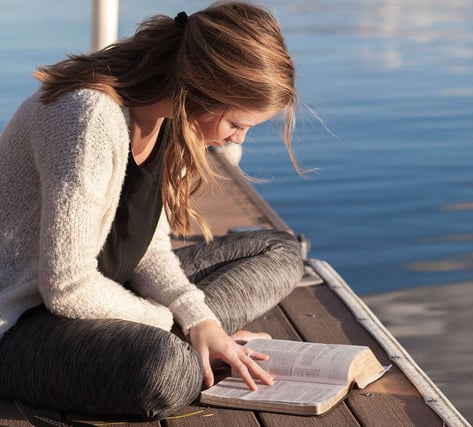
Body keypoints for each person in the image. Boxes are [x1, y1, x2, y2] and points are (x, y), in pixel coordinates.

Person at [0, 1, 304, 421]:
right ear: (199, 89)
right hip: (22, 322)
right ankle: (186, 349)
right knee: (164, 372)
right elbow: (66, 288)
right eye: (236, 124)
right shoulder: (88, 118)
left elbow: (147, 248)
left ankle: (200, 342)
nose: (237, 142)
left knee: (279, 251)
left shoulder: (170, 119)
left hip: (107, 294)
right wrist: (169, 322)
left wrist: (200, 320)